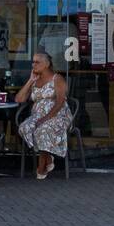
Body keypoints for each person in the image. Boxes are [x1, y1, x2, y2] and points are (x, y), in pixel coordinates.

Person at [16, 50, 73, 179]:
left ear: (46, 64)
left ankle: (41, 166)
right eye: (33, 62)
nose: (33, 65)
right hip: (38, 115)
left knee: (42, 129)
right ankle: (49, 159)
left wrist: (45, 118)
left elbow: (60, 102)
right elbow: (19, 99)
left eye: (37, 62)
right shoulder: (35, 80)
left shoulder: (57, 78)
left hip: (58, 115)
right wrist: (30, 81)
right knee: (24, 127)